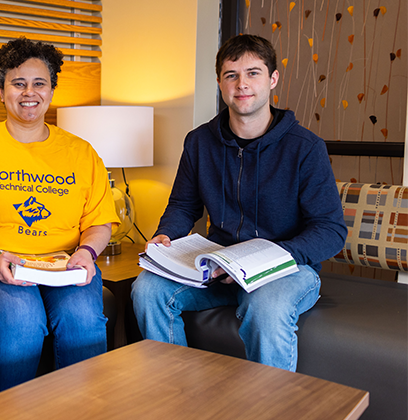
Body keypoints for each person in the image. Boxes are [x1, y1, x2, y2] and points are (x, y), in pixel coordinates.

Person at [131, 34, 346, 372]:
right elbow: (183, 205)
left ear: (273, 79)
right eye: (231, 75)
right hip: (218, 265)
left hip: (286, 270)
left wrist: (266, 261)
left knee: (267, 308)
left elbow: (331, 230)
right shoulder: (199, 142)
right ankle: (174, 395)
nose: (241, 84)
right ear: (220, 82)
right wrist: (165, 235)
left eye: (253, 73)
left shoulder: (305, 147)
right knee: (147, 290)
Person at [0, 37, 119, 394]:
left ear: (51, 89)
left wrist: (86, 253)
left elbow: (98, 221)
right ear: (1, 91)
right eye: (18, 83)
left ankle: (82, 411)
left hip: (62, 266)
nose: (29, 92)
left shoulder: (81, 152)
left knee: (83, 320)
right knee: (22, 318)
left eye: (39, 83)